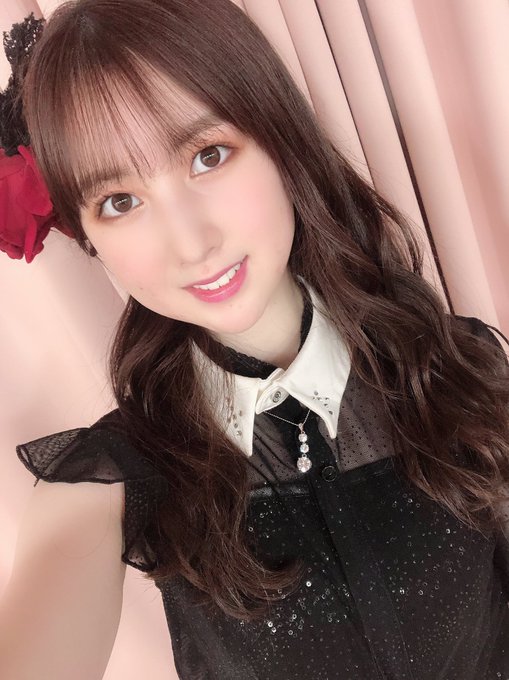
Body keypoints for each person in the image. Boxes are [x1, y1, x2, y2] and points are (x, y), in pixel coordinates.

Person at [1, 1, 508, 678]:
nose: (190, 243)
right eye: (120, 202)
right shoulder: (104, 489)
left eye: (208, 156)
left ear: (279, 139)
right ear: (88, 234)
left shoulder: (457, 367)